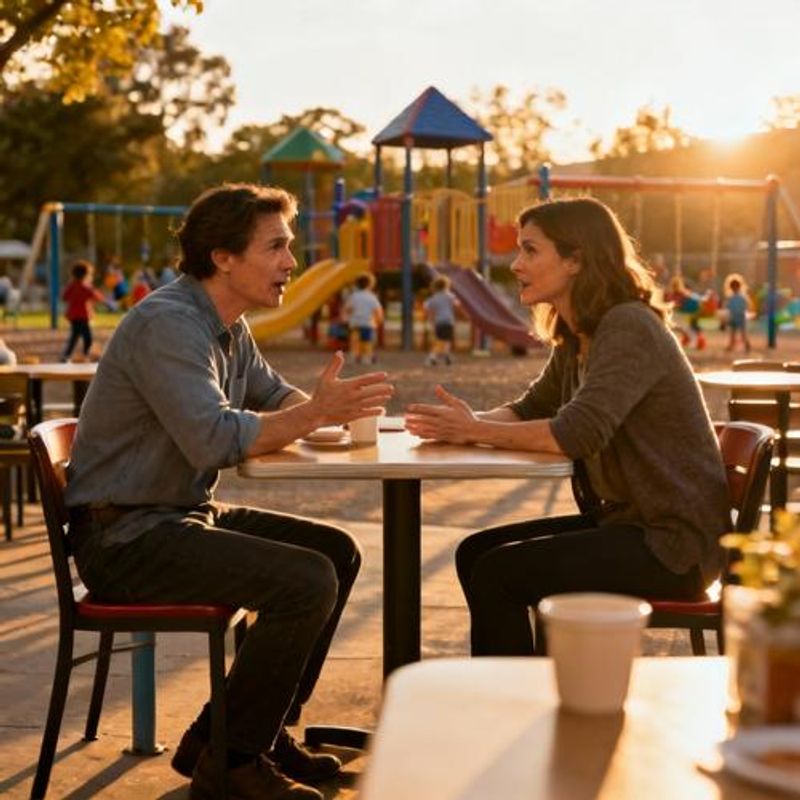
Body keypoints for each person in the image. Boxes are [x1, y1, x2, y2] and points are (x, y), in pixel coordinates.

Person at [64, 183, 394, 799]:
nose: (291, 263)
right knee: (306, 581)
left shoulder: (227, 325)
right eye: (276, 247)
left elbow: (271, 399)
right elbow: (214, 440)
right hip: (125, 538)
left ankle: (243, 733)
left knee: (338, 552)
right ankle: (231, 762)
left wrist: (330, 412)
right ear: (223, 257)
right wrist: (315, 414)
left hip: (176, 515)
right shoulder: (171, 323)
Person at [405, 197, 730, 657]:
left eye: (531, 251)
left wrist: (473, 431)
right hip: (630, 526)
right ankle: (529, 695)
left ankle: (518, 711)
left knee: (499, 574)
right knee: (475, 554)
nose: (516, 264)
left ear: (576, 259)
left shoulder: (627, 326)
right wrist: (464, 423)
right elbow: (530, 408)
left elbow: (575, 434)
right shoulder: (580, 332)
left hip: (673, 546)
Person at [61, 260, 104, 362]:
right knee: (87, 337)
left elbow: (64, 297)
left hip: (73, 316)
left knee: (74, 336)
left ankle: (66, 355)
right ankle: (85, 355)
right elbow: (98, 297)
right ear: (85, 275)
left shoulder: (71, 286)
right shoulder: (86, 287)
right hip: (83, 316)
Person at [344, 272, 383, 364]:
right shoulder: (372, 297)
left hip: (355, 323)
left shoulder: (353, 296)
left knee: (355, 341)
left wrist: (348, 317)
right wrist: (378, 320)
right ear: (370, 285)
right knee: (367, 341)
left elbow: (348, 309)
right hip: (367, 323)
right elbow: (377, 310)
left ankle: (354, 356)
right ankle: (366, 358)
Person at [423, 275, 459, 366]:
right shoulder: (450, 296)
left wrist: (431, 318)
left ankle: (446, 355)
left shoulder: (434, 298)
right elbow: (456, 304)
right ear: (447, 285)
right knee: (445, 340)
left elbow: (427, 307)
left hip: (439, 321)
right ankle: (433, 356)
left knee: (442, 339)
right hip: (449, 320)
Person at [723, 273, 752, 353]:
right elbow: (728, 307)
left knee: (743, 333)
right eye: (733, 286)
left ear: (739, 286)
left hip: (740, 317)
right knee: (732, 333)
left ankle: (747, 345)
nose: (734, 288)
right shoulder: (730, 297)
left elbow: (746, 306)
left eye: (736, 286)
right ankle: (731, 345)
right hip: (733, 317)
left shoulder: (742, 297)